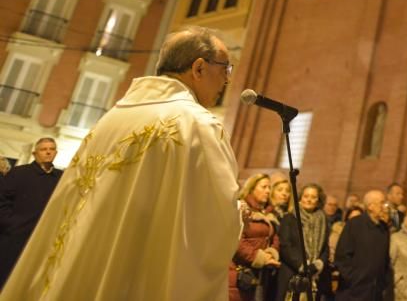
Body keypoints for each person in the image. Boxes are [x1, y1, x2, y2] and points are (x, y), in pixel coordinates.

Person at [0, 26, 241, 301]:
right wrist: (238, 214)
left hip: (80, 270)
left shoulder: (111, 118)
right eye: (225, 68)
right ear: (198, 68)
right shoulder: (198, 125)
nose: (227, 80)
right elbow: (216, 223)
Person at [0, 137, 62, 287]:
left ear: (56, 152)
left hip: (43, 238)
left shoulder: (61, 177)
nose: (48, 152)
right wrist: (11, 223)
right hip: (14, 237)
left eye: (51, 149)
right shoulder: (19, 173)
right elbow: (2, 200)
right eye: (43, 149)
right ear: (35, 153)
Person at [230, 173, 282, 301]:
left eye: (269, 188)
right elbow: (237, 240)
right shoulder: (242, 209)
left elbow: (274, 237)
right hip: (240, 269)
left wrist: (271, 253)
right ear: (252, 188)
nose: (268, 191)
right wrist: (259, 257)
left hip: (260, 273)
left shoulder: (269, 213)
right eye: (264, 187)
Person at [335, 189, 391, 301]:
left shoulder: (384, 228)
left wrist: (383, 281)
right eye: (382, 202)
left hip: (375, 292)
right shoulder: (354, 224)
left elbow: (384, 260)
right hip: (353, 292)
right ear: (370, 206)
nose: (385, 206)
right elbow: (342, 256)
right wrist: (354, 278)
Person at [277, 183, 330, 301]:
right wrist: (303, 266)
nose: (309, 200)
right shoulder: (289, 218)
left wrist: (317, 264)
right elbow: (285, 246)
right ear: (300, 198)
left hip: (314, 275)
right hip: (292, 274)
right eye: (306, 196)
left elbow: (325, 247)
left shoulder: (323, 219)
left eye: (313, 197)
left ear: (319, 200)